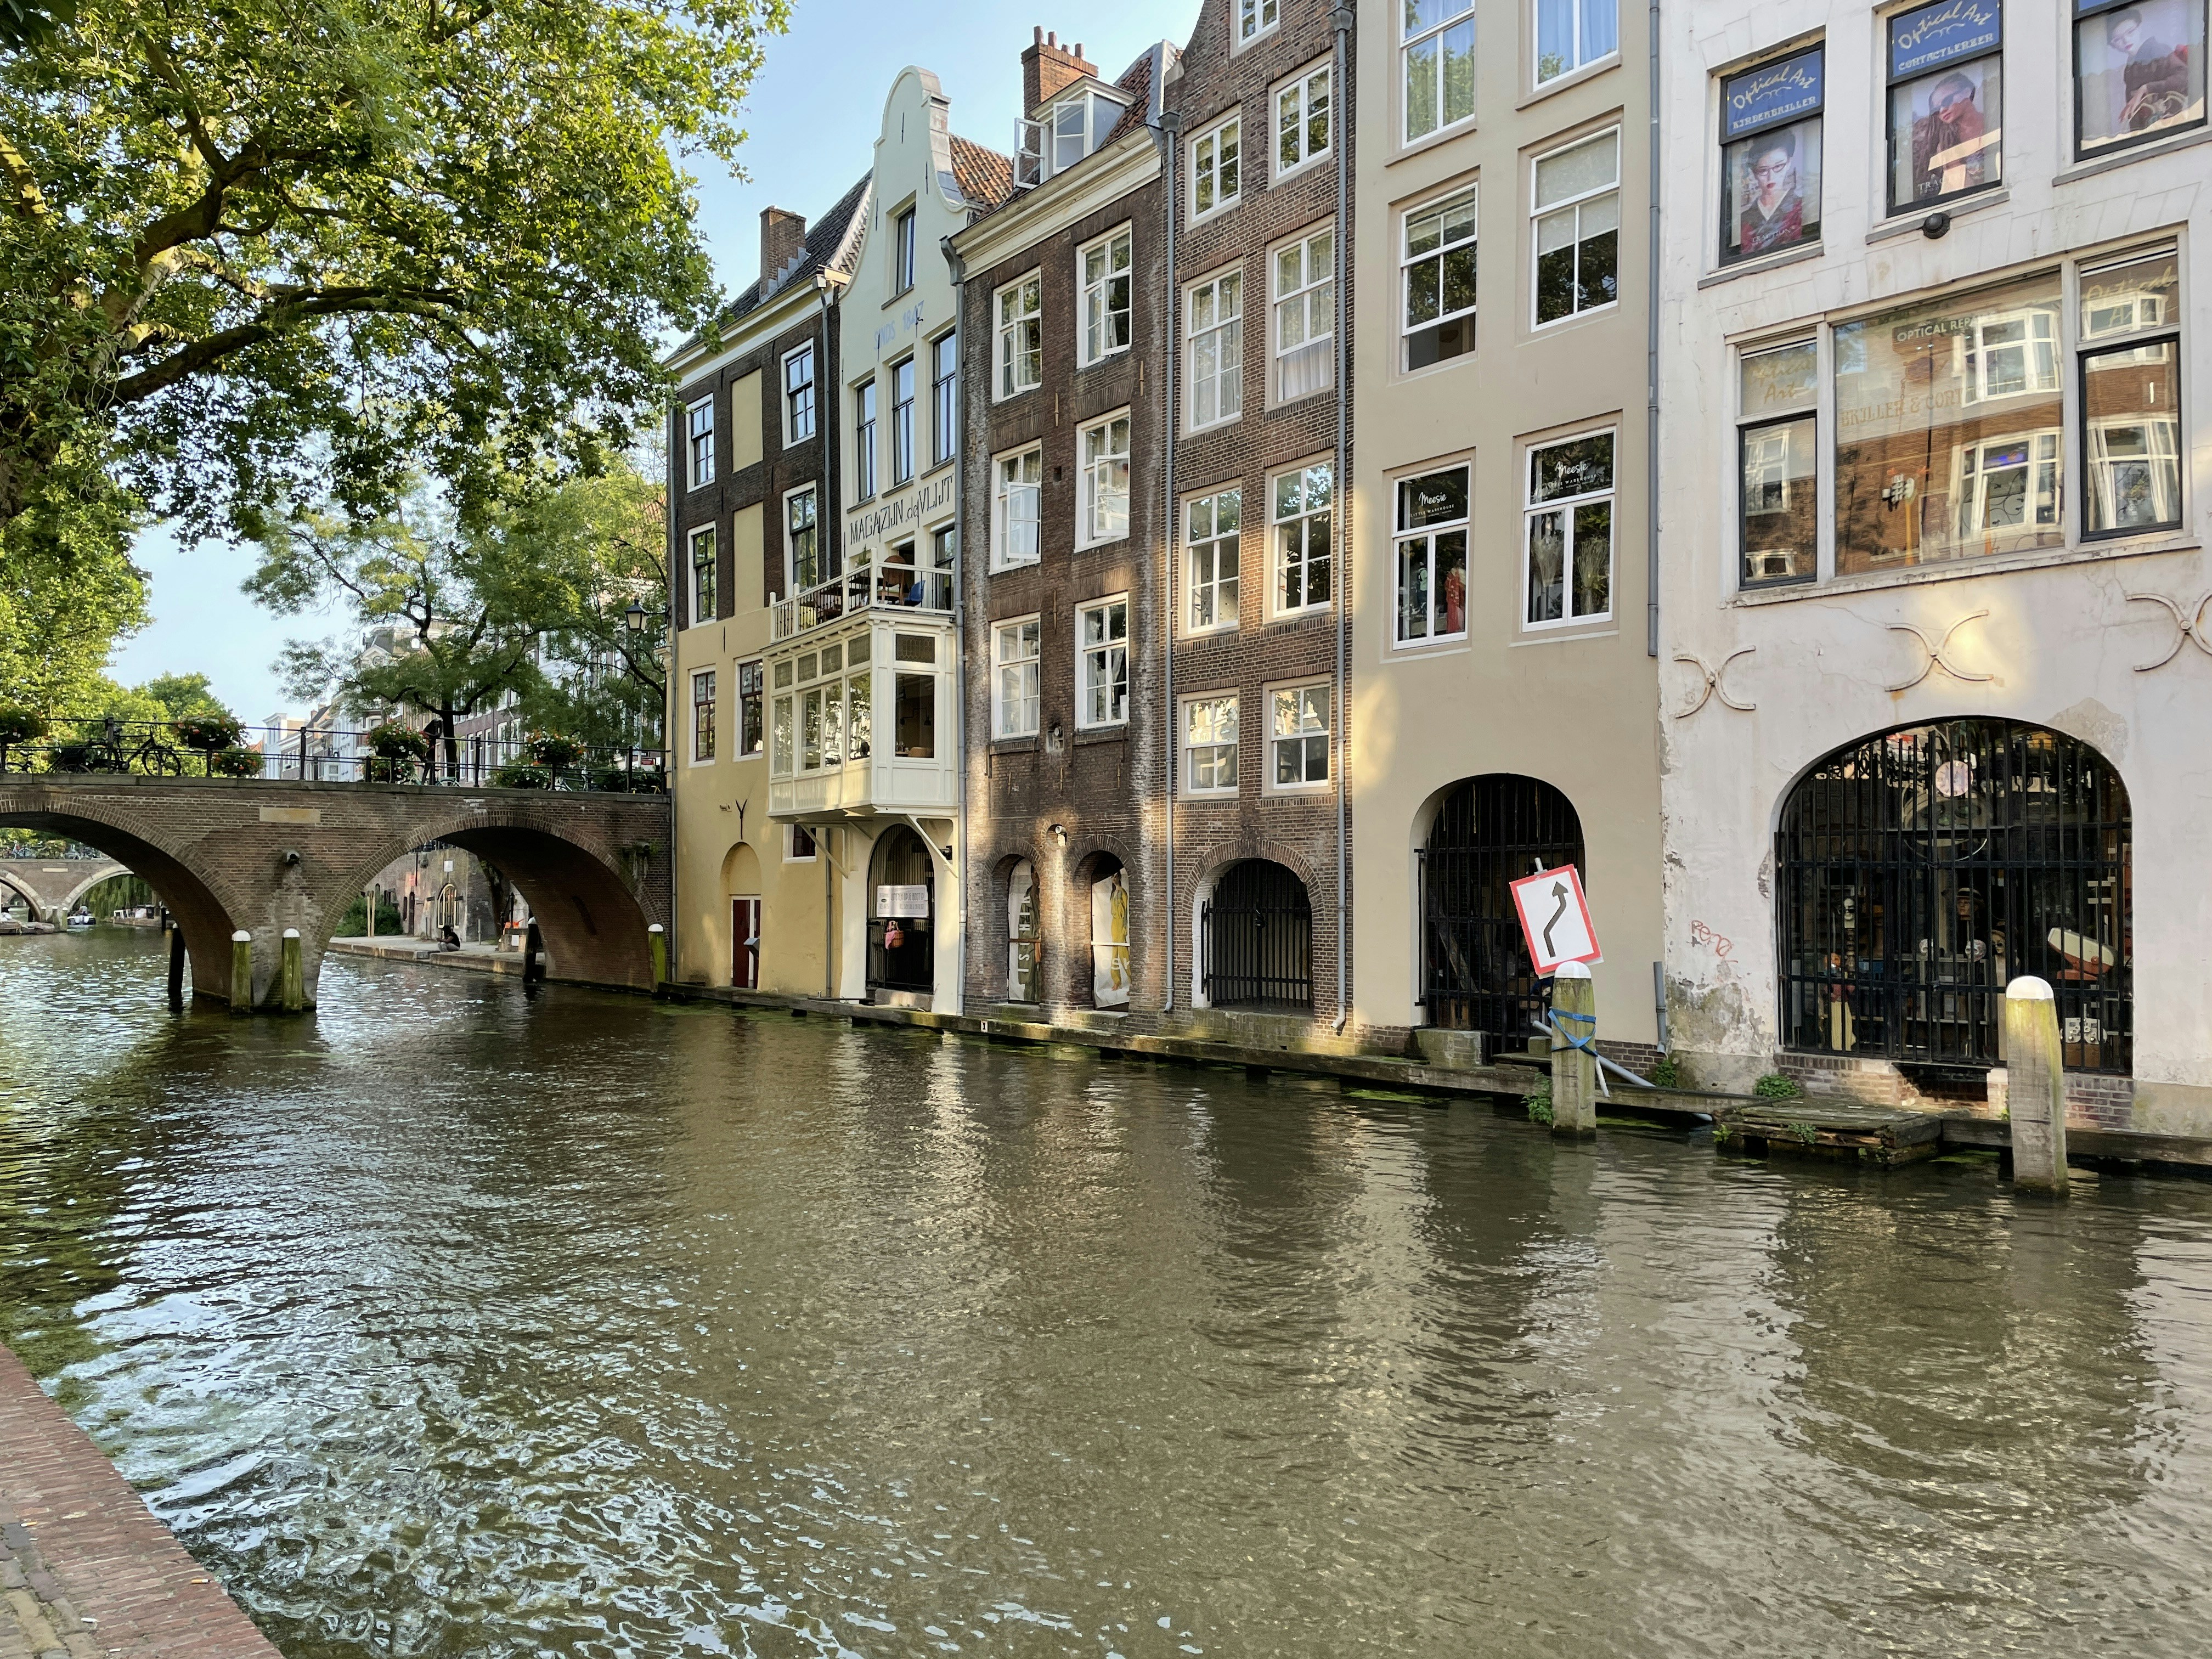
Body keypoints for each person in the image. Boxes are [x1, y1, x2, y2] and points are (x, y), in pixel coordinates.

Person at [2102, 10, 2194, 135]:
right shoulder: (2130, 68)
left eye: (2130, 32)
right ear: (2112, 45)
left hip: (2171, 123)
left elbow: (2184, 77)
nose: (2126, 40)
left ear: (2139, 28)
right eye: (2117, 39)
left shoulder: (2156, 51)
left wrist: (2147, 88)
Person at [1911, 71, 1987, 200]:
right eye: (1936, 110)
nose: (1942, 111)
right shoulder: (1947, 143)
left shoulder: (1991, 123)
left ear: (1967, 93)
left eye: (1946, 101)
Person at [1737, 127, 1806, 256]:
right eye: (1763, 170)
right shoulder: (1743, 221)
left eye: (1778, 167)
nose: (1771, 177)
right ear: (1754, 172)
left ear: (1789, 164)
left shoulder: (1801, 208)